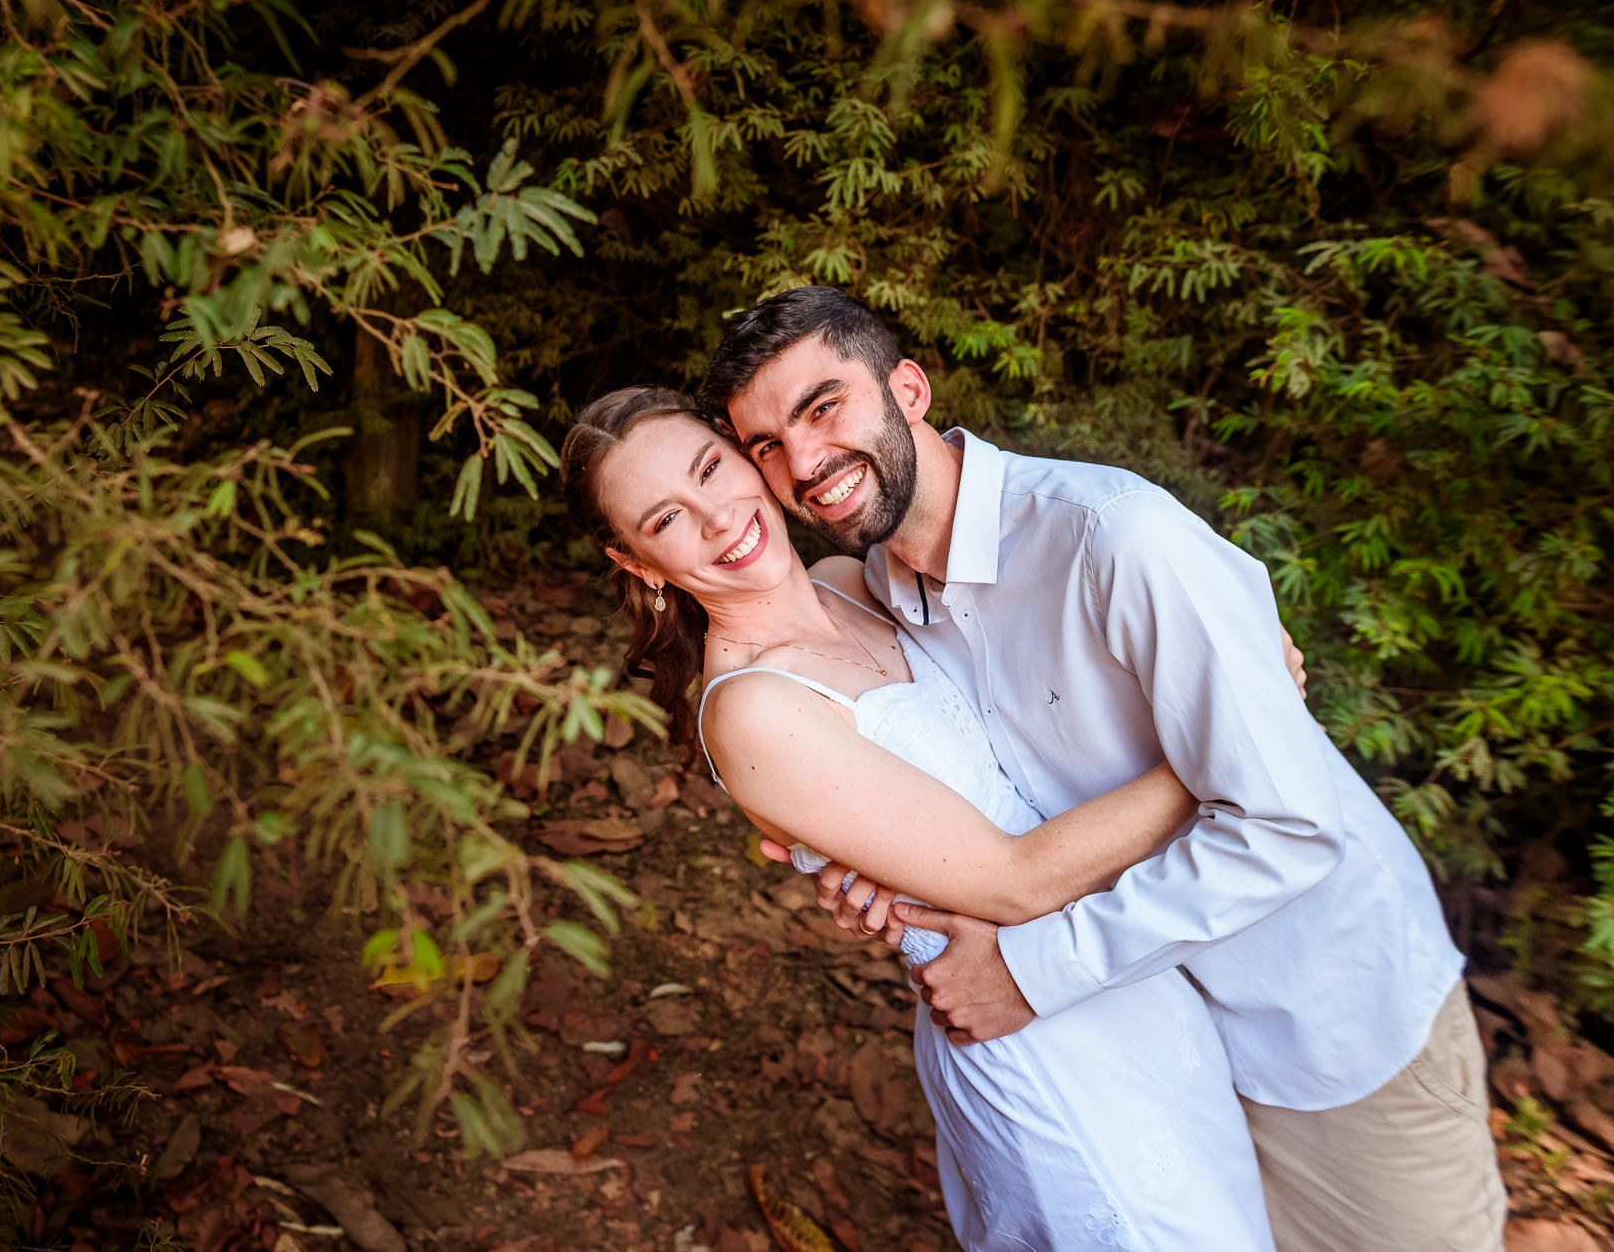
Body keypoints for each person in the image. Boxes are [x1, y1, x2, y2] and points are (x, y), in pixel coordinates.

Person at [699, 286, 1506, 1251]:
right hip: (1152, 1039)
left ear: (907, 388)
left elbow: (1285, 821)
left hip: (1329, 1026)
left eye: (823, 407)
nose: (805, 461)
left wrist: (1032, 973)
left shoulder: (1113, 537)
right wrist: (873, 872)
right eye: (766, 446)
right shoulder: (878, 594)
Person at [562, 386, 1279, 1250]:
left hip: (1126, 977)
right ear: (637, 561)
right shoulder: (752, 710)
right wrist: (1229, 731)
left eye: (711, 468)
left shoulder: (849, 583)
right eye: (667, 518)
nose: (720, 520)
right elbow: (1016, 879)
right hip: (1034, 1033)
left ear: (746, 452)